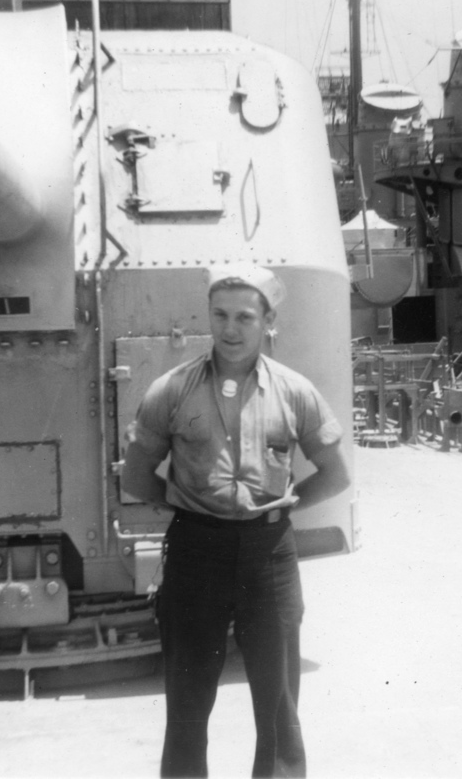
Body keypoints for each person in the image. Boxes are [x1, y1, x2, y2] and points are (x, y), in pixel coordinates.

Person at [120, 263, 351, 778]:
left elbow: (335, 475)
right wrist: (188, 506)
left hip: (268, 556)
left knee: (278, 705)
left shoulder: (294, 391)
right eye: (220, 315)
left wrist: (284, 506)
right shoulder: (172, 389)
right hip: (195, 555)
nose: (230, 328)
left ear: (268, 321)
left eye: (245, 317)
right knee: (186, 701)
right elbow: (136, 477)